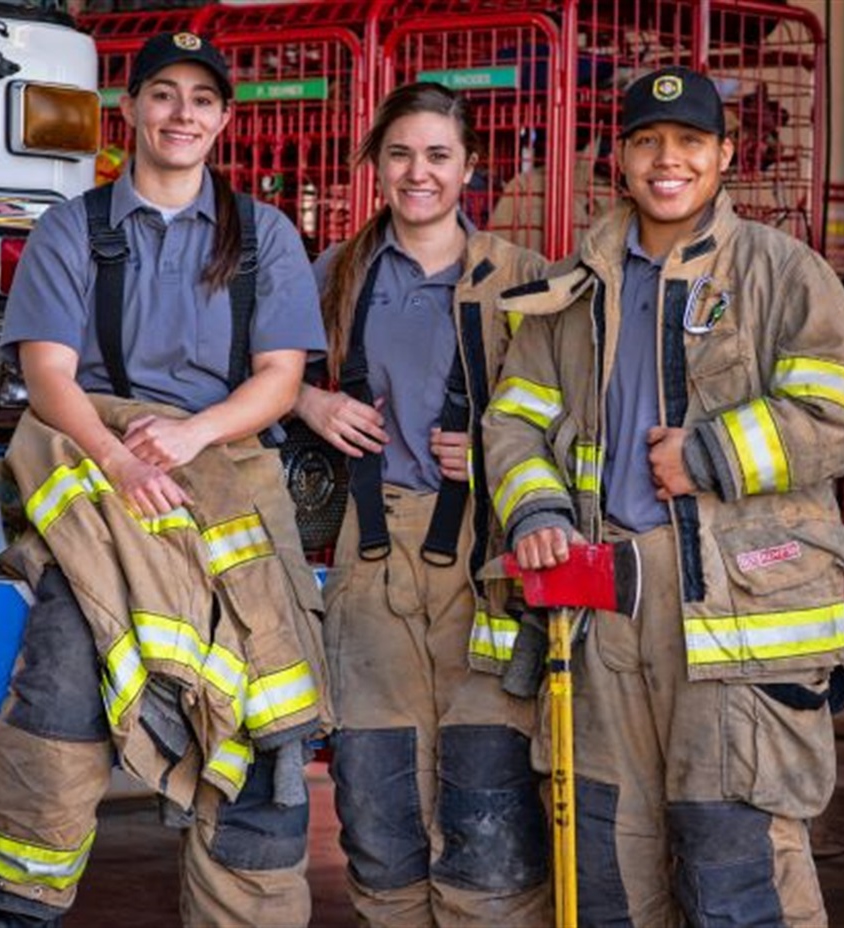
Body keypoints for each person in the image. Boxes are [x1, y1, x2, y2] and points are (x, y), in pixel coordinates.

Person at [484, 66, 844, 926]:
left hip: (734, 610)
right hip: (602, 614)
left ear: (724, 156)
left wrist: (712, 451)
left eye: (690, 142)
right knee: (606, 860)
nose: (668, 160)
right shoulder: (570, 289)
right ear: (619, 159)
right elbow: (513, 422)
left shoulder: (782, 272)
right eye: (646, 142)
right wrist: (539, 510)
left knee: (733, 858)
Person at [0, 32, 329, 928]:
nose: (182, 114)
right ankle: (18, 908)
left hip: (229, 465)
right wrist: (124, 457)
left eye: (201, 100)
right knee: (63, 667)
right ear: (128, 111)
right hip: (94, 461)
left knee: (273, 696)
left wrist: (189, 436)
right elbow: (49, 376)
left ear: (224, 119)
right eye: (162, 95)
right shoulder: (73, 229)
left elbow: (280, 375)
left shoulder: (265, 235)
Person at [294, 81, 551, 927]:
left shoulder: (523, 279)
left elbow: (570, 413)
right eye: (400, 153)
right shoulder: (339, 271)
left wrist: (489, 447)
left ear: (469, 168)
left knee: (489, 783)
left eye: (438, 155)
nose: (418, 173)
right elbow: (262, 373)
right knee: (376, 780)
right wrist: (312, 403)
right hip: (372, 558)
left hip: (488, 560)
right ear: (375, 166)